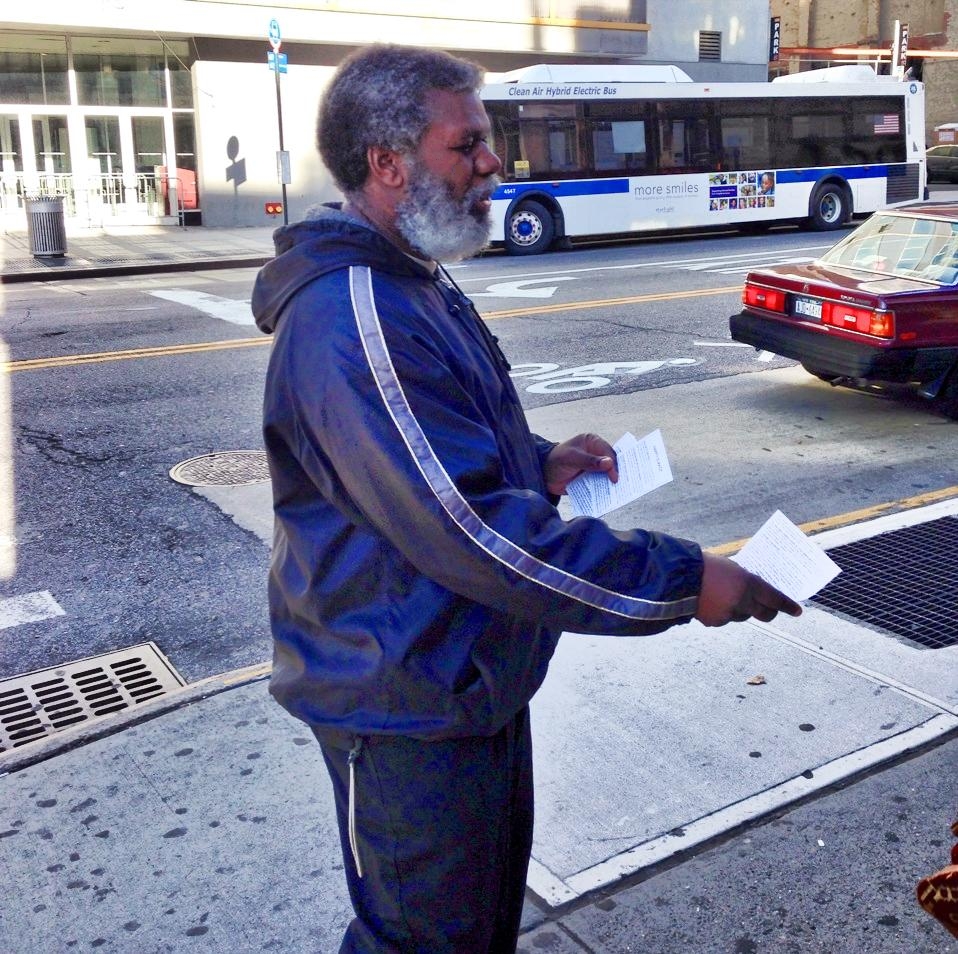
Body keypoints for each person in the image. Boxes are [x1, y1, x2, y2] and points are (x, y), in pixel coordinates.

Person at [252, 43, 802, 954]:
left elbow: (439, 459)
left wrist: (536, 460)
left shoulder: (409, 278)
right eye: (465, 144)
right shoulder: (358, 316)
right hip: (404, 707)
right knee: (423, 941)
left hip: (460, 681)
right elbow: (474, 534)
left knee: (472, 929)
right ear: (388, 165)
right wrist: (685, 578)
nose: (494, 162)